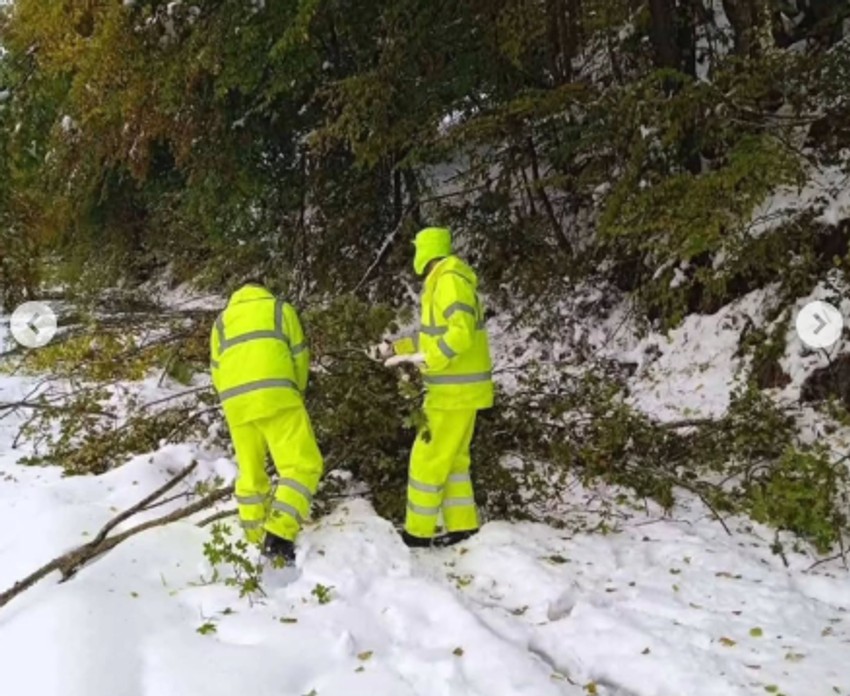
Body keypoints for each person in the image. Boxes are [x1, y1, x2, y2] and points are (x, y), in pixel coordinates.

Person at [383, 227, 494, 548]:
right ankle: (463, 526)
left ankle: (417, 533)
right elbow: (433, 336)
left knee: (426, 459)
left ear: (425, 252)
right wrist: (396, 348)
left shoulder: (448, 282)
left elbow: (458, 334)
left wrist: (430, 360)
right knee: (455, 460)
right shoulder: (448, 280)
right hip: (461, 392)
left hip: (451, 392)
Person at [210, 280, 323, 565]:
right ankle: (279, 534)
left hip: (235, 402)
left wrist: (232, 401)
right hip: (276, 395)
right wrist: (296, 391)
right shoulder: (280, 309)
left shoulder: (222, 321)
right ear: (264, 291)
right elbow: (299, 355)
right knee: (302, 465)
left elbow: (216, 369)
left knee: (250, 471)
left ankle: (252, 538)